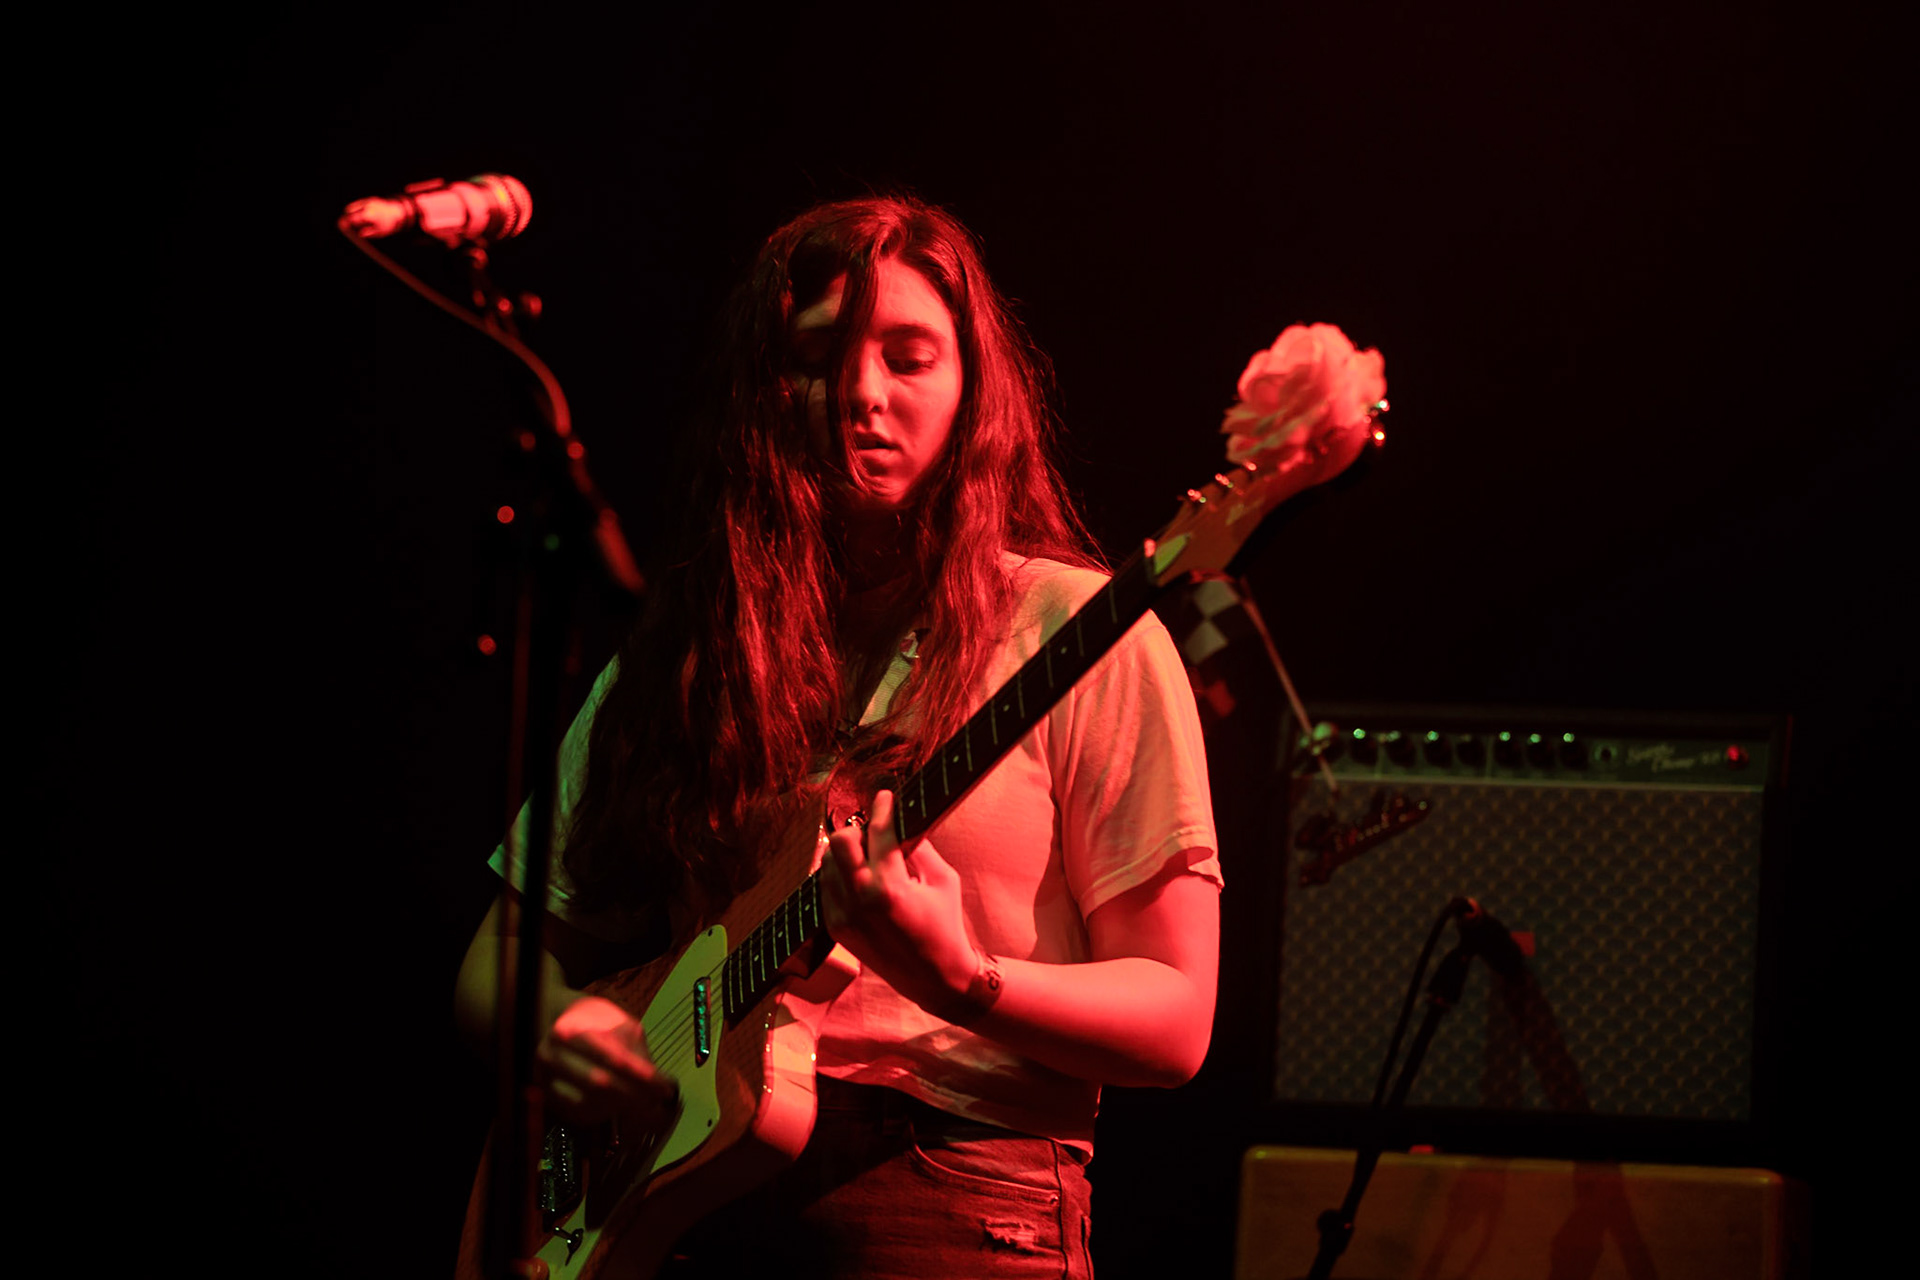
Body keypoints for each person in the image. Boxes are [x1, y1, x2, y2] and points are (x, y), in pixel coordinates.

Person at [454, 194, 1221, 1279]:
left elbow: (1177, 1018)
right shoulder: (690, 653)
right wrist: (557, 1024)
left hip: (957, 1192)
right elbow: (500, 957)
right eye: (816, 359)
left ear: (974, 391)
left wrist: (965, 977)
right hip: (684, 1197)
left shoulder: (1078, 630)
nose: (862, 393)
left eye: (909, 357)